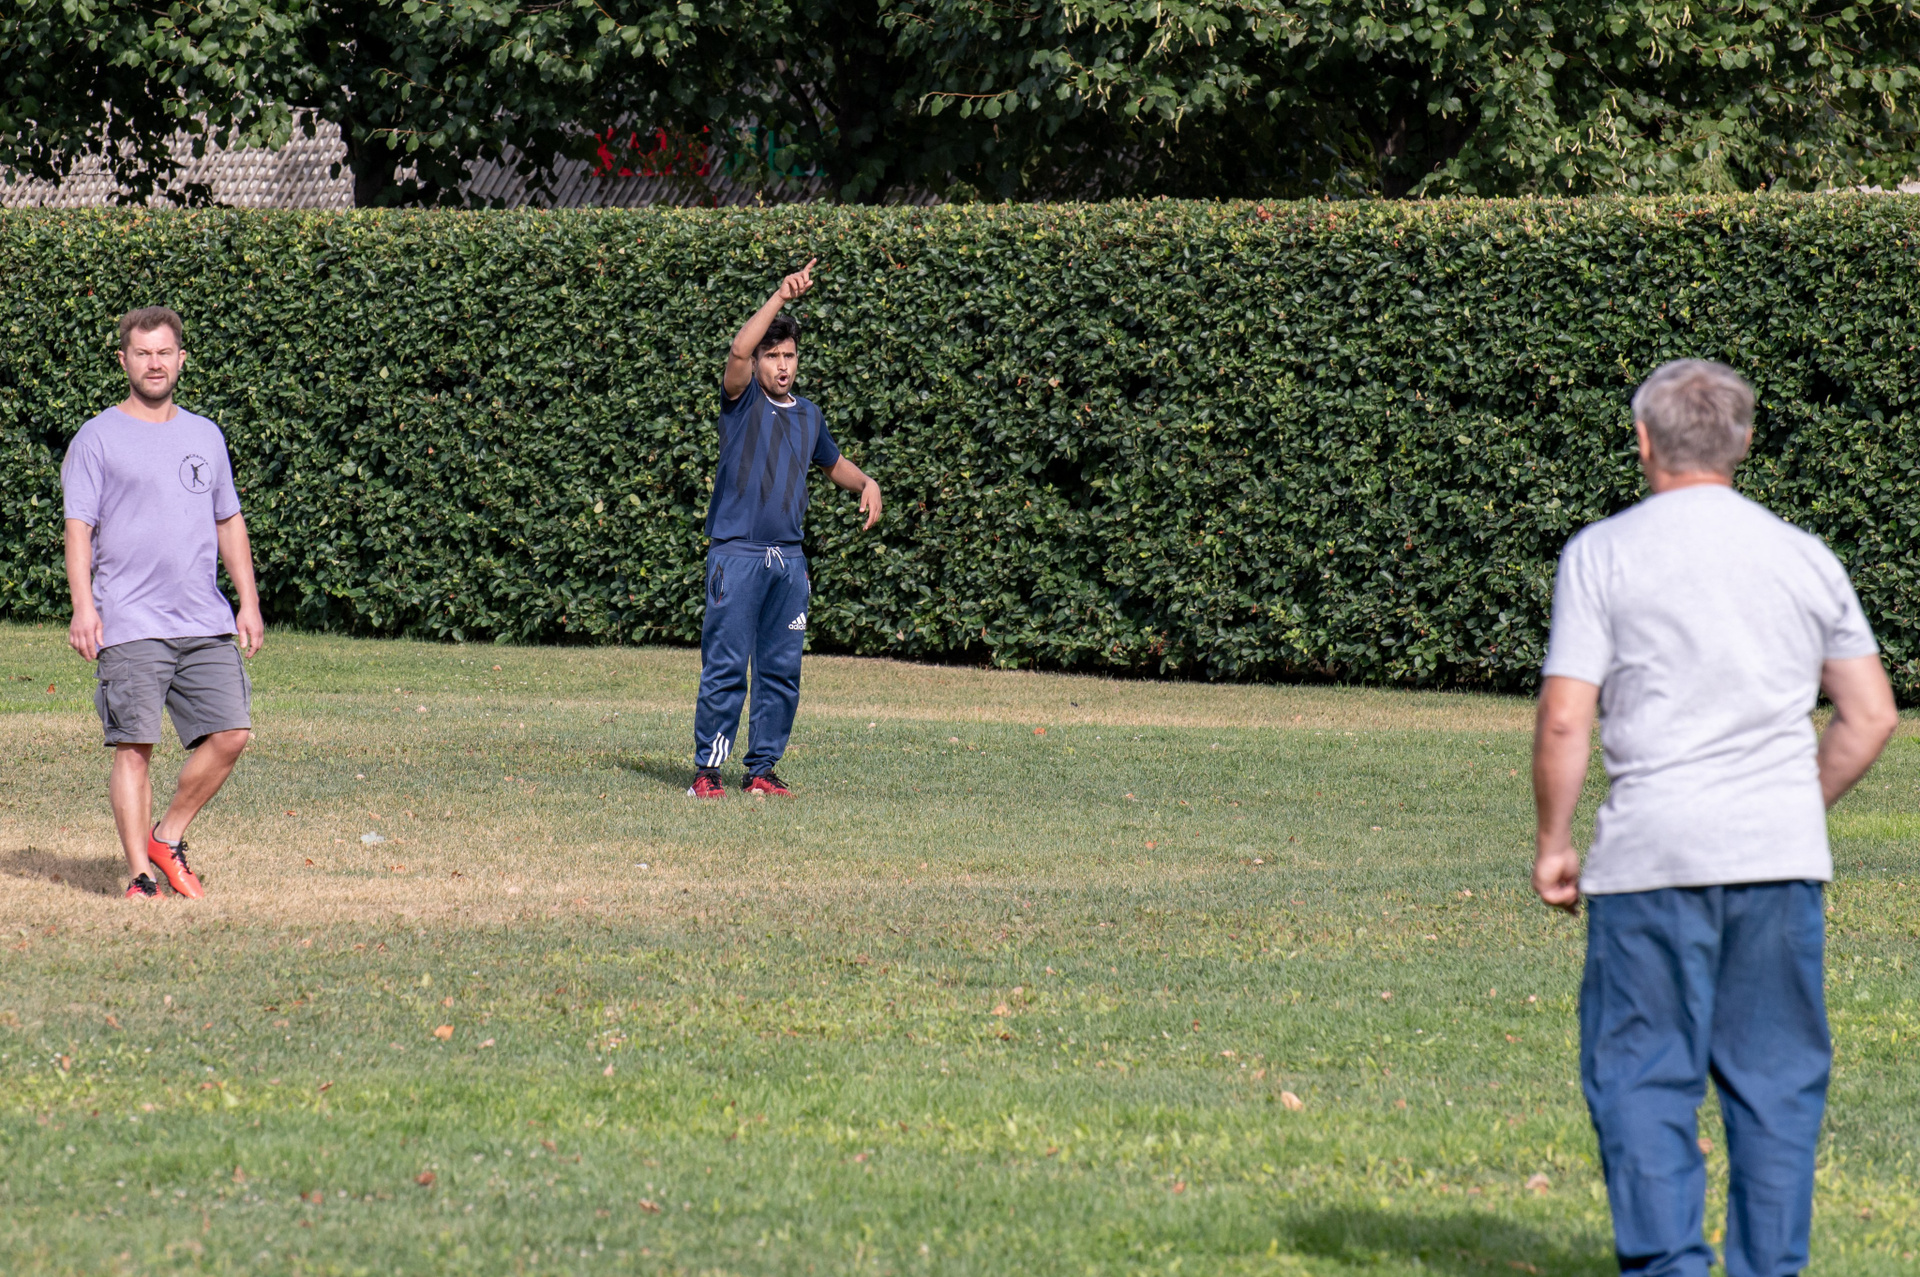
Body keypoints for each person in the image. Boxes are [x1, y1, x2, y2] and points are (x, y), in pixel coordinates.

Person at [1532, 359, 1897, 1276]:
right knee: (1776, 1086)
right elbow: (1870, 714)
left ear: (1643, 441)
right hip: (1777, 858)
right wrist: (1793, 802)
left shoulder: (1603, 553)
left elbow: (1568, 716)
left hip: (1651, 855)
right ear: (1744, 440)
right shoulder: (1803, 555)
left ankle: (1669, 1265)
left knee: (1642, 1075)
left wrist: (1554, 842)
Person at [62, 307, 264, 900]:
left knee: (232, 732)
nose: (155, 364)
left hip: (204, 618)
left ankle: (166, 836)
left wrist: (248, 602)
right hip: (129, 620)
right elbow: (78, 528)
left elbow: (228, 521)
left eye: (164, 353)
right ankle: (140, 877)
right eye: (143, 353)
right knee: (135, 748)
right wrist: (83, 607)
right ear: (123, 360)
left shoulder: (205, 434)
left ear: (181, 359)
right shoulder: (97, 437)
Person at [688, 258, 881, 798]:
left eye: (789, 355)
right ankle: (707, 773)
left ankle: (761, 771)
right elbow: (737, 351)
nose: (781, 366)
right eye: (772, 356)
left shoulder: (809, 415)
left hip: (788, 562)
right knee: (726, 666)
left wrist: (866, 482)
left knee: (780, 670)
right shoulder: (741, 400)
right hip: (738, 555)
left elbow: (833, 464)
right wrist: (779, 296)